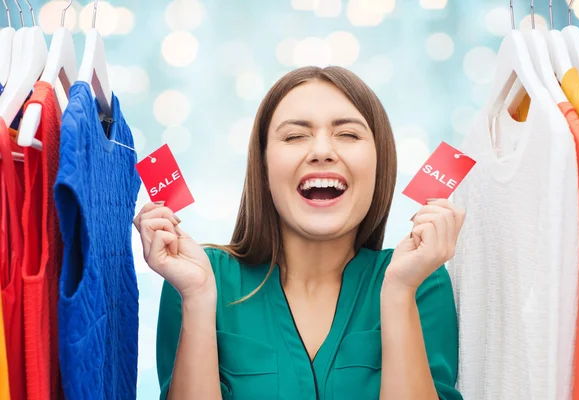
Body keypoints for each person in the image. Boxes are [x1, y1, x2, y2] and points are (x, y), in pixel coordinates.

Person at [134, 66, 465, 400]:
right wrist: (197, 298)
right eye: (294, 136)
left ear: (380, 165)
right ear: (262, 168)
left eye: (348, 135)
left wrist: (399, 294)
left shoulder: (420, 281)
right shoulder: (198, 278)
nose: (322, 151)